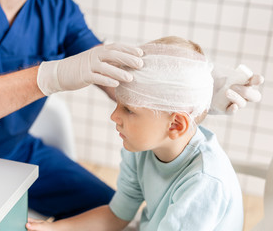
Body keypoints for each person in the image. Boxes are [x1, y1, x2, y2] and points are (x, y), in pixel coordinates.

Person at [0, 0, 262, 221]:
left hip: (11, 149)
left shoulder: (57, 8)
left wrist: (191, 93)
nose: (117, 118)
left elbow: (118, 75)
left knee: (106, 213)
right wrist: (48, 76)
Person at [25, 36, 244, 231]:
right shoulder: (141, 150)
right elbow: (116, 216)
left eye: (129, 109)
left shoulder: (204, 183)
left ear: (176, 125)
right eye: (118, 103)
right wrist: (54, 228)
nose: (113, 116)